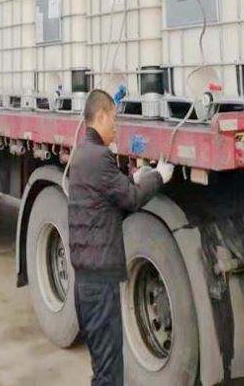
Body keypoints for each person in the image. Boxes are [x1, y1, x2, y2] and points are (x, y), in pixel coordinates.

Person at [67, 89, 174, 385]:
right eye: (114, 118)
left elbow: (107, 196)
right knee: (109, 372)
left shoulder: (82, 154)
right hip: (100, 286)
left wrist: (133, 179)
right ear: (101, 116)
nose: (116, 126)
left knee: (102, 367)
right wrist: (158, 176)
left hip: (86, 281)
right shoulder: (100, 156)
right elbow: (131, 199)